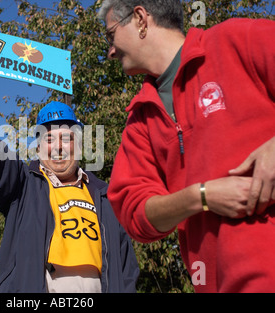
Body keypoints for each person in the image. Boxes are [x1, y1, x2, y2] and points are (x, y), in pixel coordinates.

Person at [98, 0, 275, 292]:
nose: (111, 50)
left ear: (140, 19)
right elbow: (135, 212)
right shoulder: (139, 122)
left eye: (111, 35)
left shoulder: (237, 40)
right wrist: (199, 196)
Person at [0, 76, 139, 293]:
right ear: (39, 148)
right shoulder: (22, 186)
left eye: (66, 139)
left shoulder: (106, 198)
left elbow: (126, 272)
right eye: (49, 140)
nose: (58, 147)